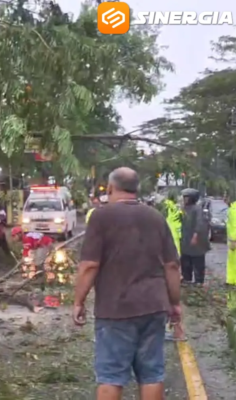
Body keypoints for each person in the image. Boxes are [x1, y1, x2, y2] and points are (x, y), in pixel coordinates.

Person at [74, 168, 181, 400]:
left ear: (110, 188)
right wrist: (175, 303)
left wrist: (78, 301)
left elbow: (89, 265)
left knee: (111, 376)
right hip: (153, 306)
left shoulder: (101, 217)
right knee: (151, 374)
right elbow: (172, 265)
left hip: (115, 309)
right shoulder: (156, 217)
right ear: (136, 189)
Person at [179, 188, 210, 285]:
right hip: (185, 240)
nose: (184, 199)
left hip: (196, 241)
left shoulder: (197, 209)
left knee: (198, 262)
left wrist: (195, 236)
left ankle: (199, 281)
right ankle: (186, 278)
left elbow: (199, 223)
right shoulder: (183, 209)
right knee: (185, 261)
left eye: (186, 197)